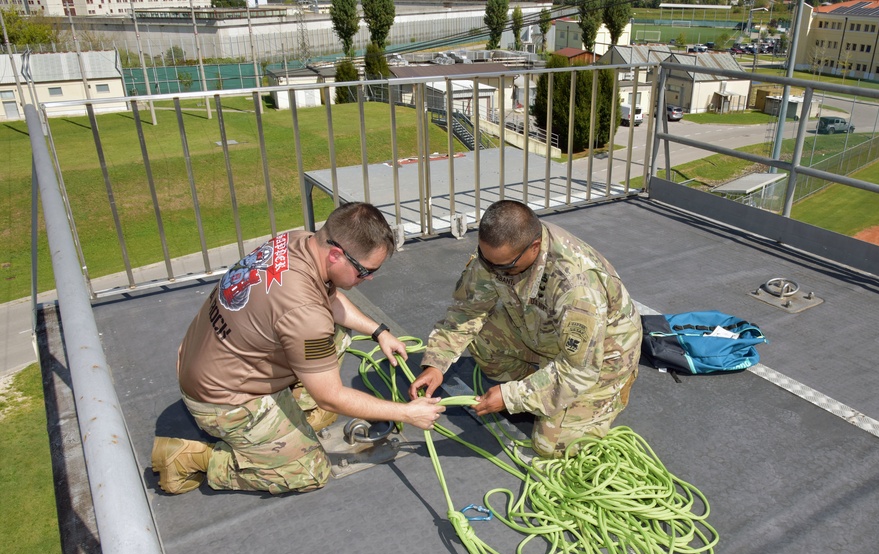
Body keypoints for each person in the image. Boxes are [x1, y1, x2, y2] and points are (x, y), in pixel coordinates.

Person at [153, 202, 445, 495]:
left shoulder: (297, 241)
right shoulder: (305, 313)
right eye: (365, 271)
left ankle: (286, 413)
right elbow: (331, 397)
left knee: (336, 333)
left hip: (206, 360)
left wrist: (378, 331)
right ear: (336, 254)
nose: (368, 279)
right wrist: (407, 414)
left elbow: (326, 299)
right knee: (309, 472)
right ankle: (196, 457)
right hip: (224, 400)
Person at [408, 200, 641, 459]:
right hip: (546, 332)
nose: (495, 270)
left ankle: (610, 393)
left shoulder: (578, 287)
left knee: (550, 447)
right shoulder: (499, 254)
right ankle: (542, 385)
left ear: (535, 247)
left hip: (600, 358)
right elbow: (467, 311)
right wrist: (435, 364)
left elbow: (579, 368)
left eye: (505, 267)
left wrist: (512, 397)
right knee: (483, 342)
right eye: (488, 261)